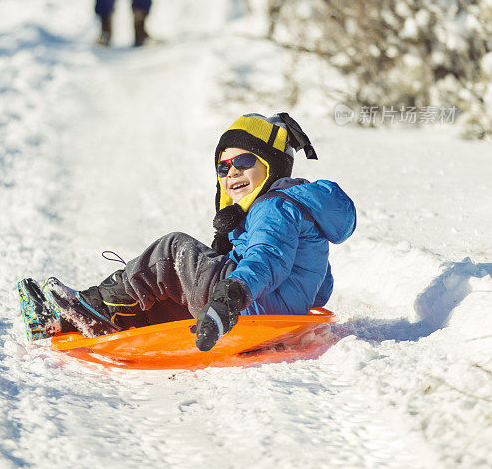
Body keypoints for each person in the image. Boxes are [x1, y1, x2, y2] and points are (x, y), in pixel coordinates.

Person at [18, 113, 356, 351]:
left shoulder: (273, 207)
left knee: (172, 252)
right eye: (223, 167)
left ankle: (89, 308)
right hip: (263, 308)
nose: (231, 173)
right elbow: (319, 285)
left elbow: (267, 262)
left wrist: (231, 295)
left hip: (247, 306)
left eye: (243, 162)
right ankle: (68, 322)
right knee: (169, 300)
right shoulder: (295, 208)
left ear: (272, 165)